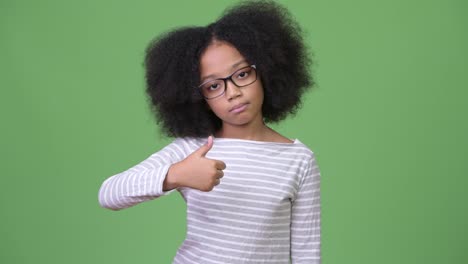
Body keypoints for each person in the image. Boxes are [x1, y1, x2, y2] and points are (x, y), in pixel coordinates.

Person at [98, 0, 321, 263]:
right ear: (197, 97)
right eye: (213, 86)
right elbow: (109, 194)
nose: (233, 92)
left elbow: (306, 253)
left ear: (266, 71)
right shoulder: (192, 149)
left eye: (241, 74)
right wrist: (176, 175)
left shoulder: (299, 160)